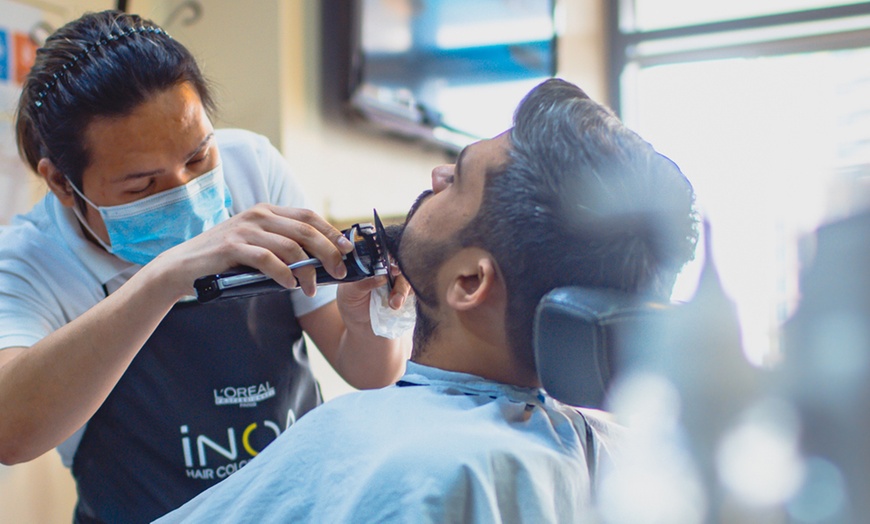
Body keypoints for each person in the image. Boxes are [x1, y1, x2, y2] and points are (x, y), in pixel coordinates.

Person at [155, 78, 700, 523]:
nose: (437, 176)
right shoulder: (612, 452)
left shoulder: (409, 467)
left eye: (458, 178)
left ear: (468, 283)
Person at [0, 10, 410, 523]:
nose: (186, 193)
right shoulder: (28, 260)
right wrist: (164, 279)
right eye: (141, 186)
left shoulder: (252, 168)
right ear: (61, 183)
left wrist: (365, 317)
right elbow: (10, 432)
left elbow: (369, 371)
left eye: (198, 158)